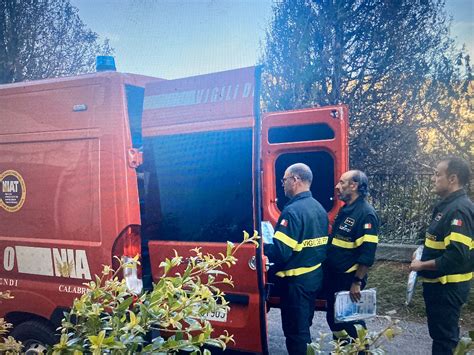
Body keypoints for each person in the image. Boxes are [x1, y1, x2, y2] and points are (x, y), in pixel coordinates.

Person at [410, 157, 473, 354]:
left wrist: (421, 265)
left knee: (445, 342)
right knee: (441, 338)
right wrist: (422, 252)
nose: (433, 179)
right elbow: (438, 243)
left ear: (452, 178)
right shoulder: (448, 206)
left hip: (447, 288)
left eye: (437, 174)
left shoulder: (458, 210)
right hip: (440, 288)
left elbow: (456, 257)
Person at [264, 163, 328, 355]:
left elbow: (281, 252)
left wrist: (261, 245)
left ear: (296, 179)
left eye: (284, 179)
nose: (282, 184)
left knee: (296, 335)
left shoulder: (292, 212)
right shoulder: (318, 208)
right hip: (313, 279)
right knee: (303, 328)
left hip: (296, 285)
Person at [323, 170, 379, 342]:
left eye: (341, 182)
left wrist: (357, 282)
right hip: (335, 277)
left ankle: (359, 352)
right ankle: (342, 351)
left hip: (349, 279)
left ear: (353, 186)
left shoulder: (366, 213)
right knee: (335, 321)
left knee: (351, 323)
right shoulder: (346, 210)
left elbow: (367, 252)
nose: (337, 187)